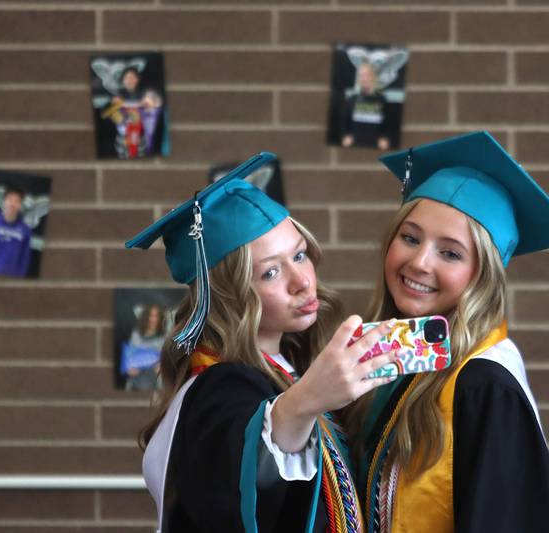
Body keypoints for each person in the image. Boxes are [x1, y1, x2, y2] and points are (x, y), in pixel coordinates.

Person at [126, 153, 399, 532]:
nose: (303, 281)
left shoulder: (282, 365)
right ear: (227, 295)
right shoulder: (219, 387)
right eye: (270, 272)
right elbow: (243, 485)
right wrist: (307, 400)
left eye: (300, 255)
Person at [342, 132, 549, 532]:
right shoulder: (398, 353)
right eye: (410, 237)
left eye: (450, 252)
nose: (419, 262)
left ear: (483, 275)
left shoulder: (484, 384)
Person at [101, 66, 163, 158]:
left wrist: (151, 102)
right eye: (127, 77)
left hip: (140, 136)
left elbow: (159, 104)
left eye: (133, 77)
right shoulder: (117, 94)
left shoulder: (145, 93)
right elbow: (105, 113)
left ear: (137, 79)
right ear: (123, 80)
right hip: (122, 137)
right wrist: (113, 108)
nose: (130, 80)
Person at [341, 62, 392, 151]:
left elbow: (388, 124)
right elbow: (345, 124)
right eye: (361, 76)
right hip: (354, 145)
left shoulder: (382, 100)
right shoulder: (351, 99)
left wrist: (384, 138)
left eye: (367, 75)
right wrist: (346, 136)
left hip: (376, 146)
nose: (364, 78)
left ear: (373, 77)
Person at [121, 303, 166, 392]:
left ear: (160, 319)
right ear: (145, 317)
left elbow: (165, 365)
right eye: (150, 315)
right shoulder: (135, 334)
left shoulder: (163, 339)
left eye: (156, 316)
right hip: (133, 385)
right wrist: (128, 369)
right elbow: (128, 360)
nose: (152, 319)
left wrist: (161, 368)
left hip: (152, 386)